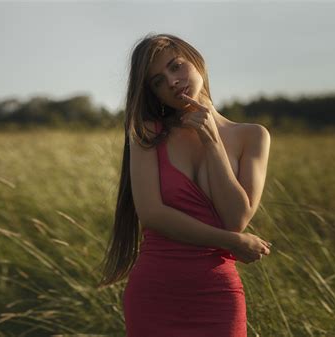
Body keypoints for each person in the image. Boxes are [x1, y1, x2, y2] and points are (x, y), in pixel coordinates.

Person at [97, 33, 272, 336]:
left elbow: (236, 219)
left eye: (176, 67)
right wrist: (231, 243)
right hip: (155, 292)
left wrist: (212, 141)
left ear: (197, 61)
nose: (172, 82)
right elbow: (152, 214)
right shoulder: (148, 133)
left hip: (217, 294)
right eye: (158, 82)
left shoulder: (253, 136)